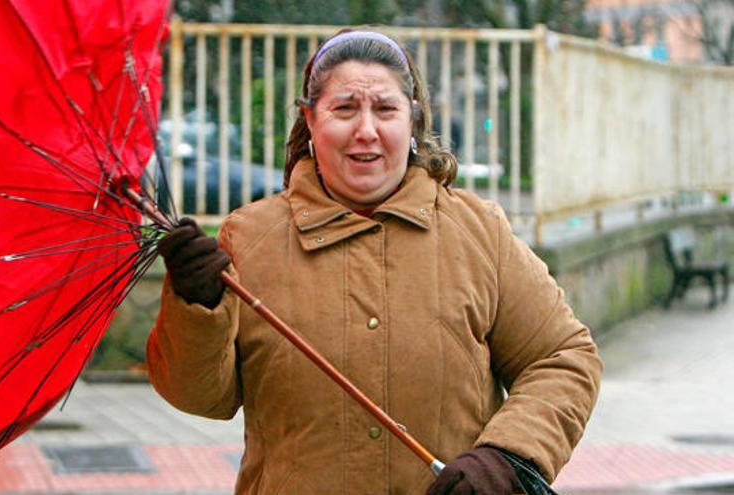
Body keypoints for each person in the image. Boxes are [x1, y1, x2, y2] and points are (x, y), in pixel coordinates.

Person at [147, 29, 602, 495]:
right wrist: (197, 306)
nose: (366, 130)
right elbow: (201, 397)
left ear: (412, 121)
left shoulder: (479, 233)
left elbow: (563, 357)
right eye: (344, 109)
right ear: (311, 120)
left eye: (385, 109)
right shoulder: (250, 238)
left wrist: (507, 458)